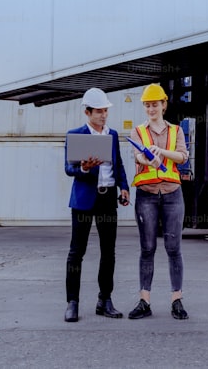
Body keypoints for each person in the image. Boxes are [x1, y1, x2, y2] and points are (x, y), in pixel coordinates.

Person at [63, 87, 130, 323]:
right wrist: (83, 167)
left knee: (108, 252)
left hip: (107, 198)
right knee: (76, 253)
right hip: (83, 201)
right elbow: (68, 168)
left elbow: (118, 164)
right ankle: (72, 302)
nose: (104, 115)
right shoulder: (76, 135)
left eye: (105, 111)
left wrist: (124, 187)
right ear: (87, 112)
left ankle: (105, 300)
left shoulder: (111, 135)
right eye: (99, 111)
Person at [127, 83, 190, 320]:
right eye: (147, 105)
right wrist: (147, 159)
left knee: (174, 249)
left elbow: (183, 157)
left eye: (155, 104)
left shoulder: (176, 131)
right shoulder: (138, 132)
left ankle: (177, 300)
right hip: (147, 195)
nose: (151, 108)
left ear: (164, 105)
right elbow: (138, 156)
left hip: (173, 193)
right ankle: (145, 301)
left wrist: (161, 153)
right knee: (147, 248)